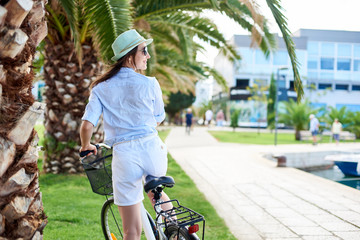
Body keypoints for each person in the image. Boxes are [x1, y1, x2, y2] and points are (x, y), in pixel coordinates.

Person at [79, 29, 172, 240]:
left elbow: (86, 126)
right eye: (144, 51)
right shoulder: (151, 83)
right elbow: (158, 118)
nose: (148, 56)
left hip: (125, 155)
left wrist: (86, 146)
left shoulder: (101, 88)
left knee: (131, 231)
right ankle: (176, 231)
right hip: (152, 149)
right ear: (130, 56)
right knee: (154, 190)